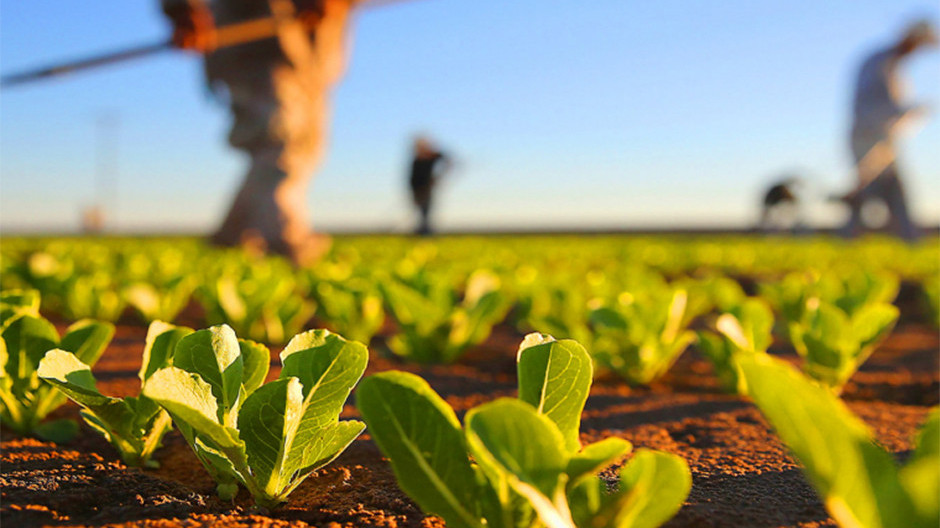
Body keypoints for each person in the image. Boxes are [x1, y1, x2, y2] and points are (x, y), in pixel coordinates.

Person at [161, 0, 360, 264]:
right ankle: (284, 240)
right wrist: (181, 9)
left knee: (306, 148)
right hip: (255, 40)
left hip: (312, 51)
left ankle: (230, 239)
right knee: (282, 141)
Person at [838, 20, 937, 241]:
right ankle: (849, 241)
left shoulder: (892, 64)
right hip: (868, 137)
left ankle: (907, 242)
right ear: (911, 39)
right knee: (867, 191)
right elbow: (877, 104)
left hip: (884, 140)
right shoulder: (880, 62)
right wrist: (913, 110)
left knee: (892, 192)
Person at [408, 136, 451, 235]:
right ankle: (423, 230)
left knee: (426, 210)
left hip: (428, 189)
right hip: (417, 190)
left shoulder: (432, 156)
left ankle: (425, 231)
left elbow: (447, 161)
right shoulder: (416, 161)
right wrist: (415, 193)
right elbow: (412, 179)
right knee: (422, 211)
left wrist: (439, 176)